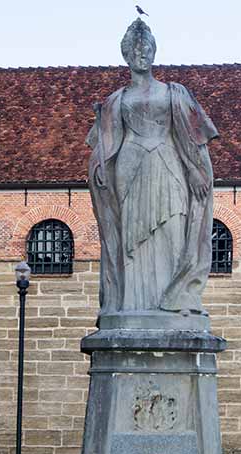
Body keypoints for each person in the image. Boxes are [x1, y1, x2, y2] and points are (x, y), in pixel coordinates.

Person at [87, 19, 219, 316]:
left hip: (168, 160)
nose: (141, 54)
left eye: (147, 48)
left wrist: (198, 170)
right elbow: (105, 143)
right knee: (131, 234)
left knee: (175, 227)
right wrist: (98, 165)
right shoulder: (115, 100)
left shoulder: (174, 92)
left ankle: (175, 300)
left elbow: (193, 138)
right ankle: (132, 304)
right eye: (135, 50)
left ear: (154, 52)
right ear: (126, 56)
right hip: (130, 165)